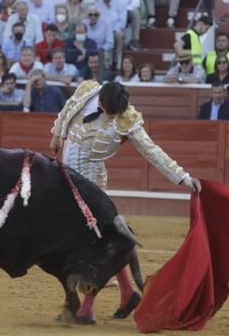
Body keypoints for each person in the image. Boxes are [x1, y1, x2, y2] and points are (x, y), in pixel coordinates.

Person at [49, 79, 201, 323]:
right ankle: (128, 293)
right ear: (100, 99)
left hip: (91, 184)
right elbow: (68, 108)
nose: (110, 116)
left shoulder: (126, 118)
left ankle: (84, 308)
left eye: (113, 113)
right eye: (107, 111)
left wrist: (183, 178)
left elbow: (152, 151)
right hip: (65, 177)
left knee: (90, 245)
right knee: (103, 240)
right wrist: (57, 133)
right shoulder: (88, 89)